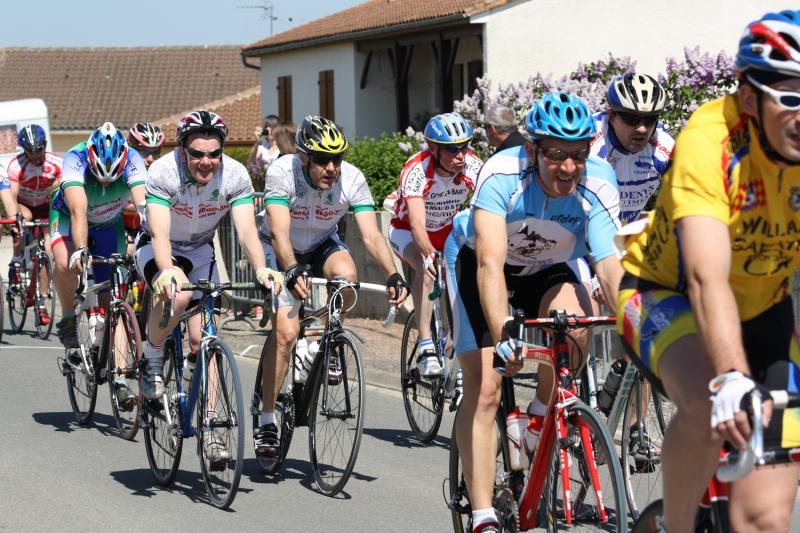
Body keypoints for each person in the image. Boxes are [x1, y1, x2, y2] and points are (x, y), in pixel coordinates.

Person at [616, 10, 800, 532]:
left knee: (766, 519)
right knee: (705, 403)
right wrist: (732, 378)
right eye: (791, 97)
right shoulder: (710, 139)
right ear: (749, 98)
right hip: (664, 295)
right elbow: (704, 277)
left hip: (763, 307)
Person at [446, 92, 623, 533]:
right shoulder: (502, 173)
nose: (568, 167)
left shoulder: (600, 181)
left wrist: (637, 322)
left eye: (578, 154)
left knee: (578, 327)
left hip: (546, 267)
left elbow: (608, 264)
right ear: (532, 150)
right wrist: (504, 335)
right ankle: (483, 514)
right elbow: (489, 264)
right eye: (556, 155)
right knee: (486, 385)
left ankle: (540, 415)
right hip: (479, 264)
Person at [253, 115, 410, 458]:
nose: (332, 168)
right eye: (323, 160)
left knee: (347, 280)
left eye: (337, 159)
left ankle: (323, 337)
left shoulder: (351, 178)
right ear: (304, 157)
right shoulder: (282, 171)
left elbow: (371, 235)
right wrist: (290, 269)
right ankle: (267, 417)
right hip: (281, 249)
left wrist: (393, 274)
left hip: (321, 243)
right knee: (285, 334)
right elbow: (279, 231)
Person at [135, 109, 281, 409]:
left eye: (214, 154)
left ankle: (211, 420)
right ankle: (152, 355)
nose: (206, 161)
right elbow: (159, 232)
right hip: (158, 246)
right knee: (177, 296)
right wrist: (167, 270)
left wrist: (262, 269)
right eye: (197, 154)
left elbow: (246, 231)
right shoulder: (164, 171)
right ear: (182, 151)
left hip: (201, 250)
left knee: (205, 339)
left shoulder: (234, 175)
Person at [51, 122, 147, 407]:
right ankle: (69, 317)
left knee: (115, 300)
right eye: (100, 177)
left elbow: (145, 207)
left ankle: (120, 379)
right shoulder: (75, 158)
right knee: (65, 263)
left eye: (112, 179)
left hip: (108, 225)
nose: (105, 184)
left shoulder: (133, 159)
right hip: (69, 218)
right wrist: (80, 250)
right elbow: (78, 212)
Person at [387, 112, 481, 377]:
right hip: (407, 231)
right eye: (452, 149)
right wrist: (429, 254)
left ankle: (458, 340)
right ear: (434, 149)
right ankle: (426, 344)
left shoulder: (474, 167)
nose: (461, 155)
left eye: (464, 146)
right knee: (427, 270)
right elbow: (417, 224)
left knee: (471, 273)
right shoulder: (416, 170)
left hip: (446, 230)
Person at [591, 73, 674, 224]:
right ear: (611, 116)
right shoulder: (590, 139)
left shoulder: (662, 145)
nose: (642, 129)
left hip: (624, 231)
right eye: (632, 119)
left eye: (650, 119)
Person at [2, 124, 63, 325]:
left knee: (47, 252)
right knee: (22, 220)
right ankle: (16, 262)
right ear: (24, 150)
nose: (36, 155)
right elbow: (12, 196)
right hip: (25, 204)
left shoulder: (56, 163)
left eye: (39, 149)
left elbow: (66, 189)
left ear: (45, 145)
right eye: (30, 151)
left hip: (46, 207)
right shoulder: (16, 165)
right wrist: (16, 218)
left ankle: (41, 302)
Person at [122, 122, 165, 250]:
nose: (151, 158)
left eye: (155, 152)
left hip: (145, 228)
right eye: (143, 151)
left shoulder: (162, 177)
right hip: (118, 226)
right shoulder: (117, 173)